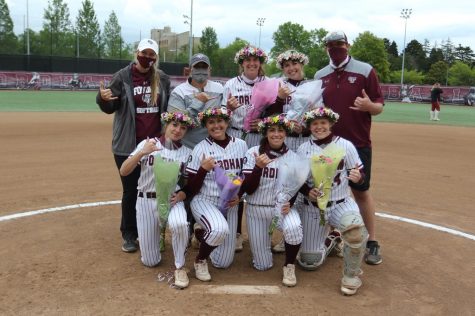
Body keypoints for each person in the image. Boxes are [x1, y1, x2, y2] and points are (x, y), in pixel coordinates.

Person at [314, 31, 384, 265]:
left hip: (358, 143)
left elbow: (379, 107)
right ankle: (333, 234)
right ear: (326, 49)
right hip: (329, 145)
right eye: (331, 45)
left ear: (348, 45)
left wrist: (368, 105)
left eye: (340, 44)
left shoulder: (365, 70)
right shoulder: (320, 75)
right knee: (329, 190)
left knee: (360, 190)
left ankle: (372, 241)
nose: (335, 48)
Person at [96, 38, 170, 253]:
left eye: (151, 54)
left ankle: (154, 231)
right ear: (137, 52)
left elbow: (166, 107)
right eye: (144, 53)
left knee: (156, 190)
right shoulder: (123, 76)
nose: (147, 58)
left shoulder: (162, 78)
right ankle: (129, 234)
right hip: (128, 144)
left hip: (155, 145)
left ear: (156, 57)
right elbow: (111, 106)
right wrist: (102, 98)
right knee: (131, 190)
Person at [297, 107, 368, 295]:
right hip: (313, 208)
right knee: (309, 262)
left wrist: (358, 177)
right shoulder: (304, 148)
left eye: (323, 123)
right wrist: (307, 191)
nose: (319, 127)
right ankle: (333, 238)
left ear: (331, 124)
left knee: (355, 234)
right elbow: (298, 181)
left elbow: (360, 174)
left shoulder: (345, 145)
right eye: (315, 123)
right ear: (309, 127)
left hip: (340, 202)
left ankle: (351, 276)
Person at [119, 112, 194, 289]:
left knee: (181, 224)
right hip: (146, 200)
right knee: (150, 261)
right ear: (166, 125)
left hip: (171, 200)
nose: (178, 130)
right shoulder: (149, 143)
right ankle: (157, 235)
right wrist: (142, 152)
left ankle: (180, 266)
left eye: (183, 128)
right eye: (174, 125)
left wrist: (183, 194)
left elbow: (188, 183)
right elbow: (124, 170)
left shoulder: (186, 153)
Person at [185, 107, 248, 282]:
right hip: (206, 200)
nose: (216, 125)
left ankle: (201, 234)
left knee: (223, 262)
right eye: (211, 122)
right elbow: (191, 187)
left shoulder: (241, 145)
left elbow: (246, 175)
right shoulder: (200, 148)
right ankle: (200, 260)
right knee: (218, 229)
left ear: (227, 122)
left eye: (220, 121)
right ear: (206, 125)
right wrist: (203, 170)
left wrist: (240, 194)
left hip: (230, 203)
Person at [241, 114, 303, 287]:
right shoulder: (253, 152)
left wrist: (290, 203)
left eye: (281, 130)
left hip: (281, 210)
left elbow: (296, 187)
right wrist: (258, 168)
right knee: (262, 265)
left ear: (286, 133)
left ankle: (289, 265)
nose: (276, 134)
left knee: (294, 229)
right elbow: (248, 188)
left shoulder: (293, 157)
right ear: (265, 133)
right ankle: (264, 248)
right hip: (257, 208)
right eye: (272, 130)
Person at [223, 44, 268, 251]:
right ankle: (237, 232)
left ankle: (264, 232)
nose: (251, 63)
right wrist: (228, 109)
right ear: (241, 63)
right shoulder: (231, 84)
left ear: (260, 63)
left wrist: (264, 122)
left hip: (259, 137)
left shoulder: (268, 84)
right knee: (236, 182)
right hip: (236, 134)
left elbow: (275, 111)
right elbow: (221, 115)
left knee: (260, 181)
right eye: (247, 60)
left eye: (255, 61)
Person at [167, 53, 224, 148]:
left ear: (210, 70)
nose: (201, 70)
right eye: (197, 67)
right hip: (187, 147)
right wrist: (198, 102)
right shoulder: (179, 91)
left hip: (214, 147)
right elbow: (175, 123)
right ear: (189, 70)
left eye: (204, 67)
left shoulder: (219, 89)